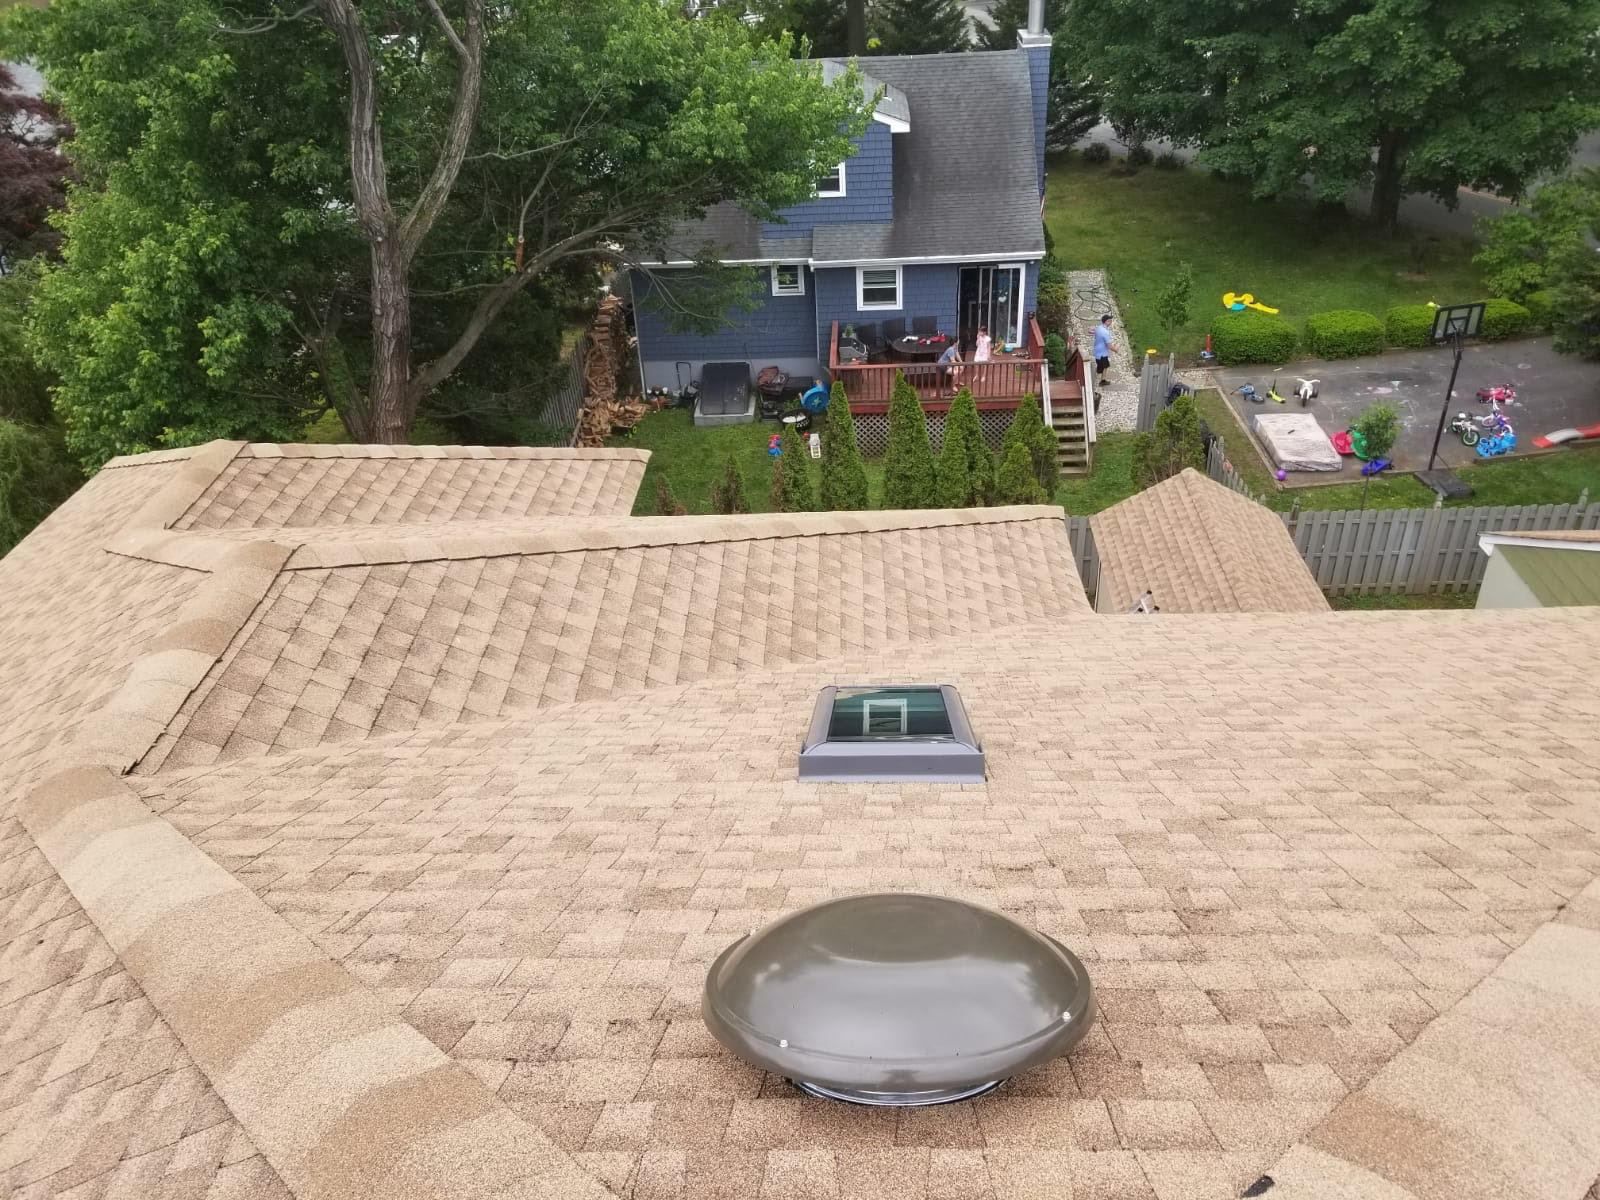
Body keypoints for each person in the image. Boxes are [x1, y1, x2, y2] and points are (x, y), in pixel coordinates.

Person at [1093, 314, 1115, 386]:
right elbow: (1109, 345)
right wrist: (1116, 349)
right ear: (1106, 321)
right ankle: (1101, 381)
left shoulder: (1099, 328)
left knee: (1103, 366)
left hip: (1097, 351)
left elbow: (1094, 332)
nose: (1111, 322)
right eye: (1109, 321)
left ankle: (1102, 379)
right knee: (1104, 367)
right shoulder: (1105, 332)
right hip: (1102, 353)